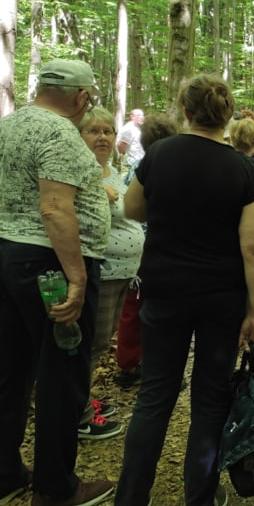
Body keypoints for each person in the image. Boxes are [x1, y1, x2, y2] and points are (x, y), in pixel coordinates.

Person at [113, 75, 254, 506]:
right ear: (227, 113)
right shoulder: (244, 170)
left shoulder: (158, 155)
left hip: (164, 292)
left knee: (154, 397)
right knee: (210, 398)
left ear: (184, 106)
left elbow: (132, 210)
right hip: (221, 298)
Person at [0, 59, 114, 506]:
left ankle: (0, 477)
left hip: (3, 253)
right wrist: (75, 276)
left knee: (6, 369)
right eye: (88, 98)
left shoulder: (4, 129)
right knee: (61, 370)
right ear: (80, 97)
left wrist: (6, 242)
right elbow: (56, 209)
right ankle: (54, 488)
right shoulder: (58, 134)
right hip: (48, 266)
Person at [76, 107, 146, 440]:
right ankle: (78, 414)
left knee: (100, 342)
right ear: (79, 135)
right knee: (90, 343)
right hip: (100, 269)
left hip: (122, 271)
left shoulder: (108, 169)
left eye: (108, 131)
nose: (103, 137)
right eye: (94, 131)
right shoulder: (78, 171)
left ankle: (83, 400)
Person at [115, 113, 181, 390]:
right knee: (168, 310)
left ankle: (129, 365)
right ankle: (163, 370)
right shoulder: (181, 168)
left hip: (138, 249)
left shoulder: (137, 168)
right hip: (168, 250)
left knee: (133, 306)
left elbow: (129, 209)